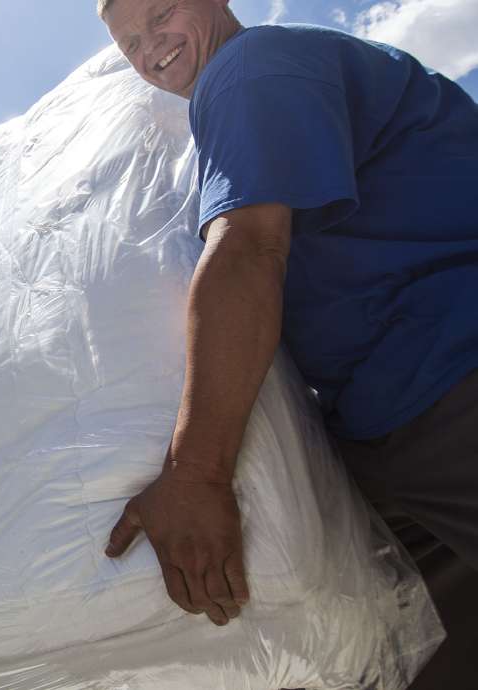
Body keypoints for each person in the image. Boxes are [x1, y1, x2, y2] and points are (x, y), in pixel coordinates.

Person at [96, 0, 478, 638]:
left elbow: (248, 250)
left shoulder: (250, 68)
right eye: (129, 44)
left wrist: (197, 473)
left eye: (160, 15)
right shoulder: (249, 87)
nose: (148, 49)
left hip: (454, 385)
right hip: (392, 427)